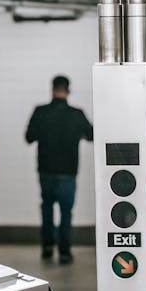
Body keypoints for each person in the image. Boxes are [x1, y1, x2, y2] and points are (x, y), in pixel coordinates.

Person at [25, 75, 93, 264]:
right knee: (66, 213)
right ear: (68, 90)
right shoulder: (77, 114)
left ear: (52, 89)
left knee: (47, 208)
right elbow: (91, 135)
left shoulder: (40, 112)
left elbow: (29, 137)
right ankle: (64, 252)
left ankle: (47, 248)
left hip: (45, 171)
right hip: (68, 173)